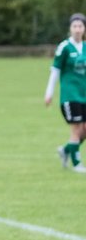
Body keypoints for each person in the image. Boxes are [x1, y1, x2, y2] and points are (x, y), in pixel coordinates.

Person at [45, 12, 86, 173]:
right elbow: (55, 70)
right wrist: (49, 93)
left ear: (84, 29)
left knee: (84, 130)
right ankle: (77, 164)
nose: (77, 29)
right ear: (70, 28)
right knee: (75, 129)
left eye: (80, 26)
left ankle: (66, 150)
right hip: (70, 96)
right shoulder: (64, 47)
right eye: (74, 26)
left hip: (84, 95)